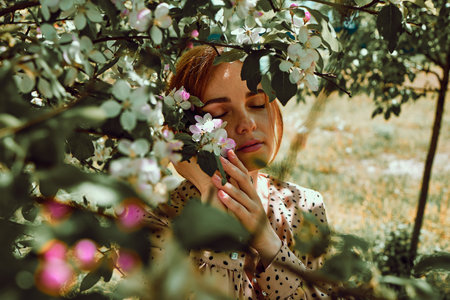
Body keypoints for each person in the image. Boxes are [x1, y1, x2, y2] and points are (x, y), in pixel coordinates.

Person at [147, 46, 337, 299]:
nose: (247, 123)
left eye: (257, 103)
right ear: (187, 130)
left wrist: (268, 242)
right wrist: (213, 197)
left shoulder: (305, 207)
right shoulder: (160, 220)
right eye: (219, 114)